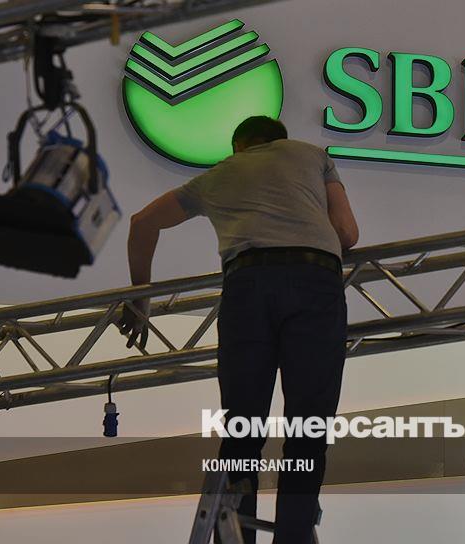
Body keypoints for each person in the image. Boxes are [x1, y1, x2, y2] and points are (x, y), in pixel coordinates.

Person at [118, 116, 358, 544]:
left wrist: (141, 298)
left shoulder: (221, 174)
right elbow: (347, 232)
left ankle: (238, 536)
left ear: (239, 148)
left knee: (243, 430)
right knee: (308, 430)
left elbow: (142, 223)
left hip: (247, 286)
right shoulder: (313, 156)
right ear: (280, 140)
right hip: (315, 281)